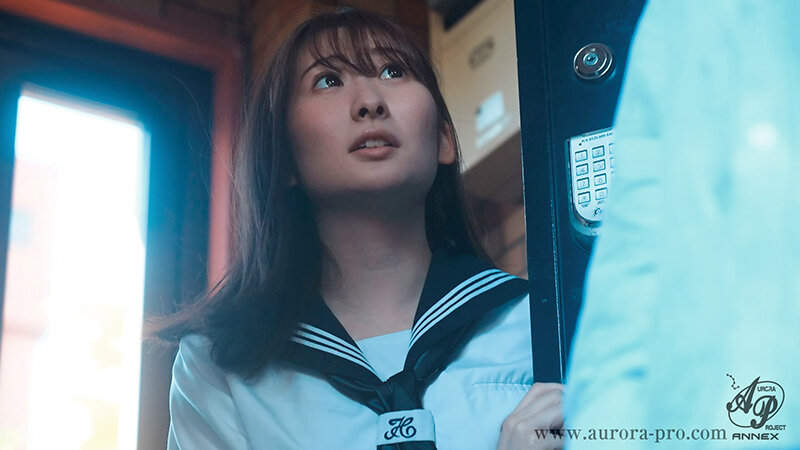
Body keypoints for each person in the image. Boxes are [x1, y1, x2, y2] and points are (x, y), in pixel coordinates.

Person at [155, 8, 564, 450]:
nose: (370, 101)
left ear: (444, 139)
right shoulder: (218, 366)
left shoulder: (544, 324)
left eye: (393, 71)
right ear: (284, 155)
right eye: (328, 80)